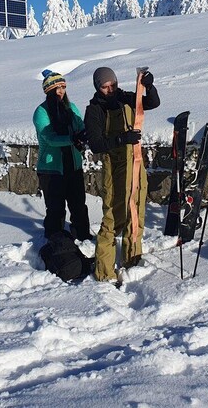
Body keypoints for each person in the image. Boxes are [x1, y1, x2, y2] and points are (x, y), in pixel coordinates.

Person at [84, 66, 160, 282]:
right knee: (113, 217)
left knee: (136, 212)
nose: (110, 89)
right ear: (98, 87)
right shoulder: (94, 110)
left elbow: (152, 103)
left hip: (135, 164)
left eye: (113, 84)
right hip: (114, 168)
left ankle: (132, 261)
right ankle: (104, 272)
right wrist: (121, 139)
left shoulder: (125, 98)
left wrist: (149, 86)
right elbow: (96, 144)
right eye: (105, 86)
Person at [33, 69, 93, 241]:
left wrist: (85, 135)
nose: (61, 91)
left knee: (79, 206)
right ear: (48, 91)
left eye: (63, 87)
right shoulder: (41, 112)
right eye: (56, 88)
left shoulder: (71, 108)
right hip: (51, 169)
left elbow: (80, 127)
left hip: (73, 165)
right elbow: (49, 138)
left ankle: (82, 237)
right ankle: (55, 240)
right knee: (55, 208)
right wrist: (72, 138)